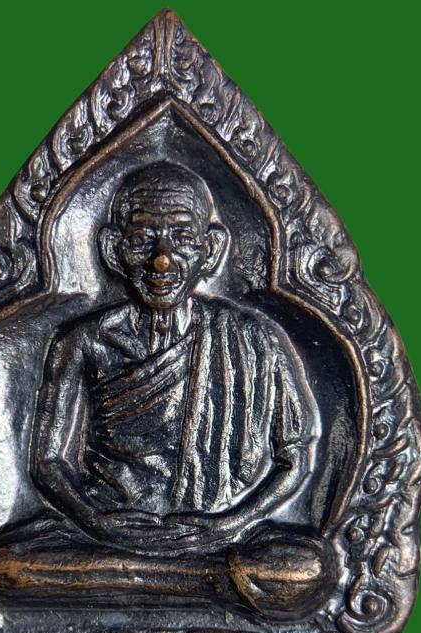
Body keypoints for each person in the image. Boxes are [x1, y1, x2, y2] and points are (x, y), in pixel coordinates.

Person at [32, 162, 322, 557]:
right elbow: (48, 460)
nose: (162, 260)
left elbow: (295, 457)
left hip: (217, 538)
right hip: (108, 534)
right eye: (142, 239)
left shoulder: (253, 338)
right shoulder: (82, 341)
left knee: (302, 568)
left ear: (211, 249)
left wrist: (229, 524)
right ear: (113, 249)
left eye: (183, 238)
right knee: (1, 566)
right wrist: (96, 521)